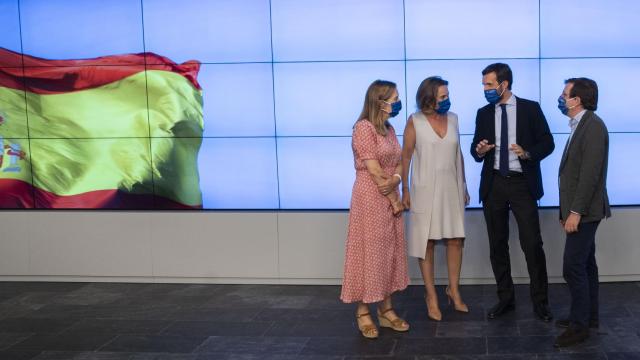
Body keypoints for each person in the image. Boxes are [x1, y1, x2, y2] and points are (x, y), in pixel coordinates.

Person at [470, 63, 555, 321]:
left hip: (521, 183)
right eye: (484, 84)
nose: (484, 89)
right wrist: (480, 149)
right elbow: (475, 148)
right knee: (497, 245)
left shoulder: (530, 108)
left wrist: (527, 153)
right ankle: (505, 299)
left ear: (503, 85)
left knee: (532, 244)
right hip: (493, 183)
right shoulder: (483, 112)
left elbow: (548, 143)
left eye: (488, 84)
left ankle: (540, 303)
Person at [340, 80, 410, 339]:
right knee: (369, 253)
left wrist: (397, 180)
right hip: (371, 198)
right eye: (394, 98)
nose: (397, 102)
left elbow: (399, 163)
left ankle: (386, 310)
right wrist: (393, 198)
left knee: (388, 253)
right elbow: (375, 170)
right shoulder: (363, 128)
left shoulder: (389, 129)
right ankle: (363, 312)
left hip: (390, 191)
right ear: (379, 102)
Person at [401, 76, 469, 321]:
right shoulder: (415, 121)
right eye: (443, 96)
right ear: (428, 98)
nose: (447, 100)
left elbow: (458, 153)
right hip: (424, 189)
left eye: (448, 95)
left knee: (455, 239)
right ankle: (431, 295)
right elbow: (406, 157)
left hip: (451, 187)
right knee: (426, 242)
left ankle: (454, 290)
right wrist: (405, 190)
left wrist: (464, 185)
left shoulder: (453, 119)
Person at [554, 77, 610, 348]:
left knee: (573, 266)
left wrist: (575, 211)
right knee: (586, 264)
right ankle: (589, 317)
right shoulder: (581, 125)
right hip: (579, 209)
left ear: (577, 100)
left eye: (565, 94)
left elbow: (590, 175)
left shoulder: (593, 127)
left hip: (585, 210)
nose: (562, 98)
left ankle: (579, 327)